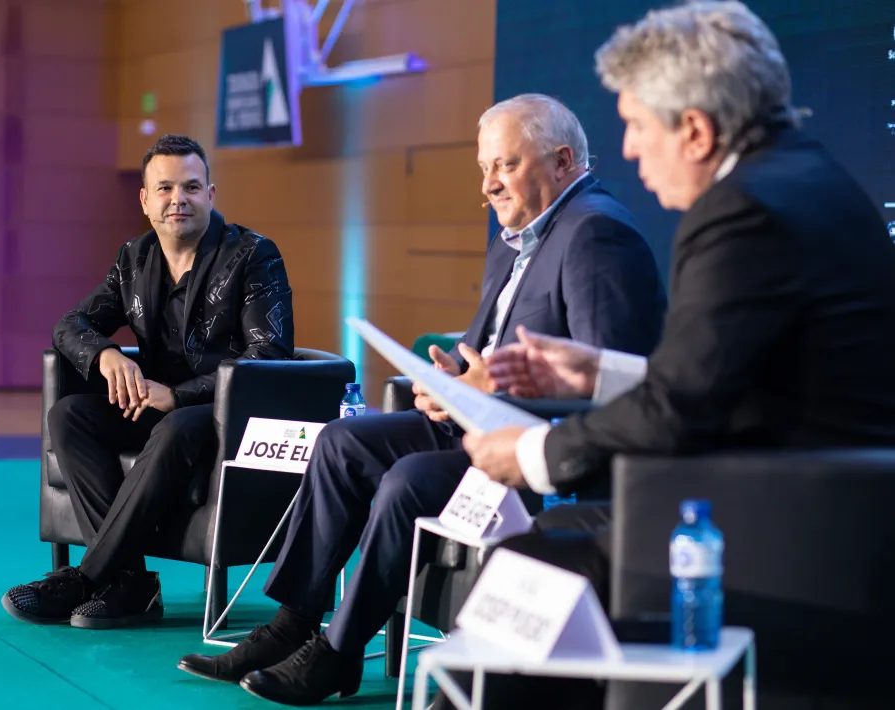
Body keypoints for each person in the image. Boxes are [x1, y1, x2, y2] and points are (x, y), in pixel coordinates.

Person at [450, 2, 895, 708]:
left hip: (777, 523)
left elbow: (680, 412)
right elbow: (733, 376)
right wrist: (602, 372)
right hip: (820, 501)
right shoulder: (814, 181)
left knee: (526, 562)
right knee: (558, 533)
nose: (626, 149)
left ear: (693, 130)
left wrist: (534, 452)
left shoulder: (741, 214)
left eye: (634, 124)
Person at [177, 94, 667, 705]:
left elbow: (610, 386)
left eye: (504, 166)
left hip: (532, 444)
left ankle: (338, 652)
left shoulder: (597, 235)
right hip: (476, 420)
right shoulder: (517, 236)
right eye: (483, 168)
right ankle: (294, 622)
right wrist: (448, 379)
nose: (487, 185)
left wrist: (496, 388)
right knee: (340, 442)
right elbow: (479, 346)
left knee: (406, 480)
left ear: (563, 160)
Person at [1, 134, 294, 630]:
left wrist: (177, 396)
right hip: (158, 409)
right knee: (70, 416)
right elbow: (71, 325)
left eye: (191, 187)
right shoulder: (134, 258)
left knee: (176, 427)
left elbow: (269, 354)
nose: (178, 199)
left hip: (225, 414)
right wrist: (107, 356)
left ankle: (88, 575)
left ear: (211, 194)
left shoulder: (253, 255)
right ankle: (131, 583)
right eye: (164, 188)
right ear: (145, 199)